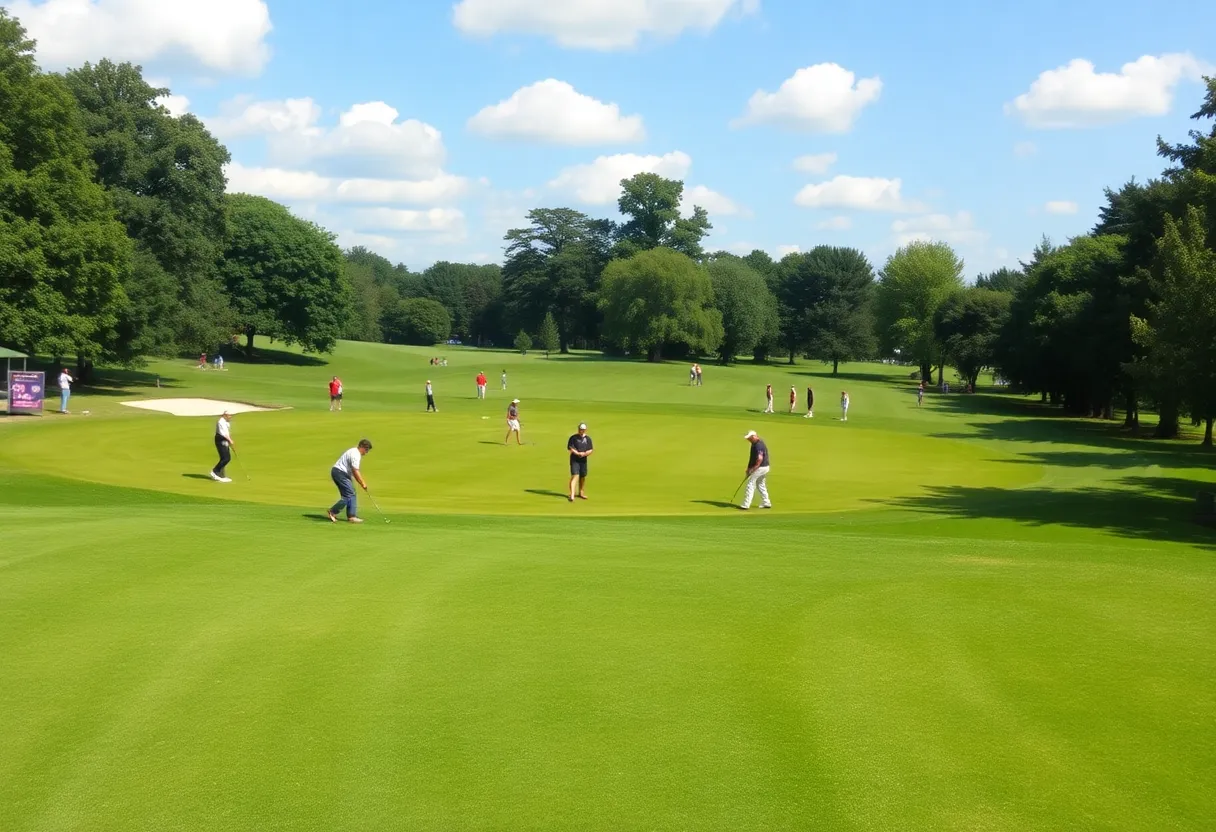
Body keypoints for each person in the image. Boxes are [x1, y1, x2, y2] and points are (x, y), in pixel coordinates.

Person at [327, 439, 372, 524]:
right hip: (340, 473)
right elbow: (355, 471)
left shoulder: (353, 451)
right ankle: (332, 511)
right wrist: (362, 483)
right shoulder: (356, 454)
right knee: (349, 494)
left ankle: (352, 516)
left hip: (340, 473)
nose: (366, 453)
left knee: (352, 493)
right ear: (362, 447)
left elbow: (353, 471)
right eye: (366, 450)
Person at [739, 430, 771, 510]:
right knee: (760, 484)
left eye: (749, 438)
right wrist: (749, 468)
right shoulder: (755, 443)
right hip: (765, 467)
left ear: (754, 436)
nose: (748, 440)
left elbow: (759, 459)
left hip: (760, 467)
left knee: (750, 483)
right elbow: (752, 458)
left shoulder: (758, 445)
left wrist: (753, 469)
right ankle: (766, 502)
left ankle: (746, 504)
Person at [567, 422, 594, 502]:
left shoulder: (587, 439)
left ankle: (581, 492)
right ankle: (572, 494)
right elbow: (570, 448)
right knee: (575, 475)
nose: (581, 431)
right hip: (575, 459)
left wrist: (585, 453)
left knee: (582, 476)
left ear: (585, 430)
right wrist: (578, 453)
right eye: (580, 429)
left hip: (583, 460)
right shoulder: (573, 438)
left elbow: (591, 449)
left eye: (582, 429)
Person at [210, 411, 234, 482]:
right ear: (225, 415)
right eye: (230, 415)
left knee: (225, 458)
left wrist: (229, 441)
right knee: (226, 458)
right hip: (220, 440)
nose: (231, 417)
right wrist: (230, 440)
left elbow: (227, 433)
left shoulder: (226, 422)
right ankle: (215, 472)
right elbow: (224, 434)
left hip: (224, 440)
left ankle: (221, 475)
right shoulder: (221, 422)